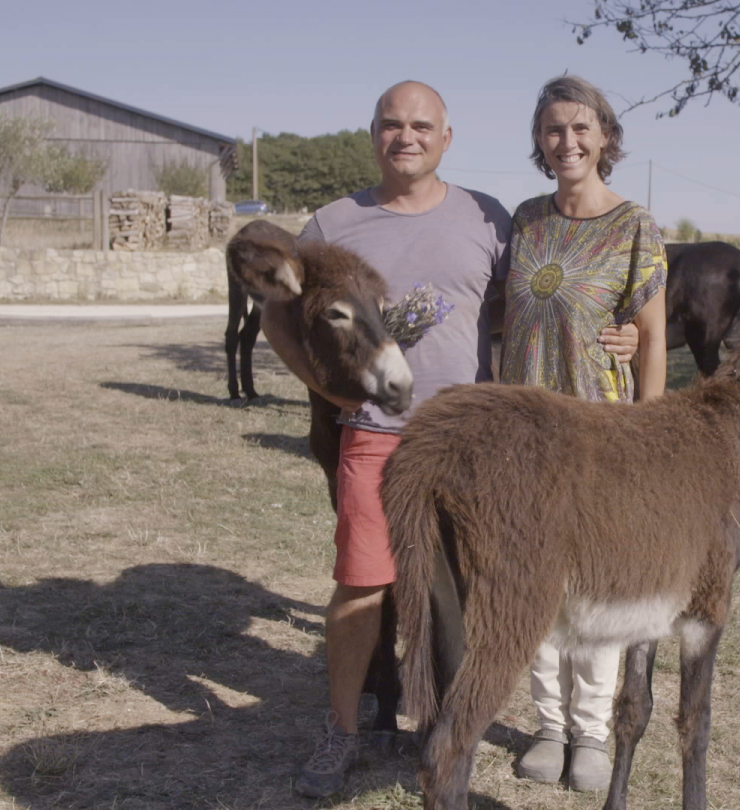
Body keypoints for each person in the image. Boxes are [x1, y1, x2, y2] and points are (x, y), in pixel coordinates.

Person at [259, 80, 639, 799]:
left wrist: (618, 333)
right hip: (376, 434)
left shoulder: (488, 219)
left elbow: (530, 299)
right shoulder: (332, 225)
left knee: (468, 593)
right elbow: (279, 312)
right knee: (362, 587)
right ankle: (343, 729)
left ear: (446, 137)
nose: (407, 136)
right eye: (392, 124)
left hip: (473, 446)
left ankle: (448, 730)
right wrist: (328, 387)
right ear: (373, 133)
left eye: (421, 125)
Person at [503, 75, 667, 793]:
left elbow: (653, 339)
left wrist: (649, 436)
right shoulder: (524, 220)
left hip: (603, 433)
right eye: (552, 130)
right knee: (535, 586)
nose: (566, 142)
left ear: (604, 136)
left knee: (599, 590)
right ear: (539, 142)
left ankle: (592, 735)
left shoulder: (635, 226)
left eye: (579, 129)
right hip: (525, 436)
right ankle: (547, 725)